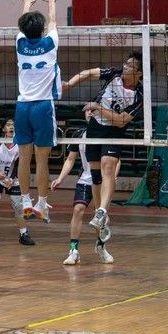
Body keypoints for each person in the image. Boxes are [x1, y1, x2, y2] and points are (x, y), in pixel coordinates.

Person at [64, 50, 144, 241]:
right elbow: (89, 73)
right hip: (95, 128)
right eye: (126, 63)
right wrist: (70, 84)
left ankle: (101, 210)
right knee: (95, 176)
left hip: (113, 132)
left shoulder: (139, 96)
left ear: (139, 73)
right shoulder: (114, 74)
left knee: (108, 168)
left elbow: (121, 121)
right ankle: (100, 214)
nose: (125, 67)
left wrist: (98, 107)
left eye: (130, 65)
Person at [13, 0, 62, 223]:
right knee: (42, 160)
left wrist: (27, 2)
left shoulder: (20, 44)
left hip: (22, 107)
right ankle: (41, 203)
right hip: (43, 106)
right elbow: (53, 21)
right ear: (42, 30)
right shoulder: (51, 43)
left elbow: (24, 25)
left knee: (24, 157)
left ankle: (25, 200)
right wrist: (51, 1)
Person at [52, 109, 118, 265]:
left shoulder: (107, 133)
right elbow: (70, 159)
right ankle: (73, 251)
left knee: (99, 218)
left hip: (102, 184)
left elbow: (116, 159)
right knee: (78, 210)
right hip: (85, 181)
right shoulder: (79, 134)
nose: (90, 113)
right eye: (88, 111)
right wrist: (60, 178)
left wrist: (113, 176)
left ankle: (101, 247)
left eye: (93, 110)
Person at [0, 118, 35, 246]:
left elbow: (20, 164)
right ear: (3, 129)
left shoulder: (20, 146)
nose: (11, 127)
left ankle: (24, 234)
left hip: (13, 180)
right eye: (8, 125)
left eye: (13, 125)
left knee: (18, 206)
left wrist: (12, 178)